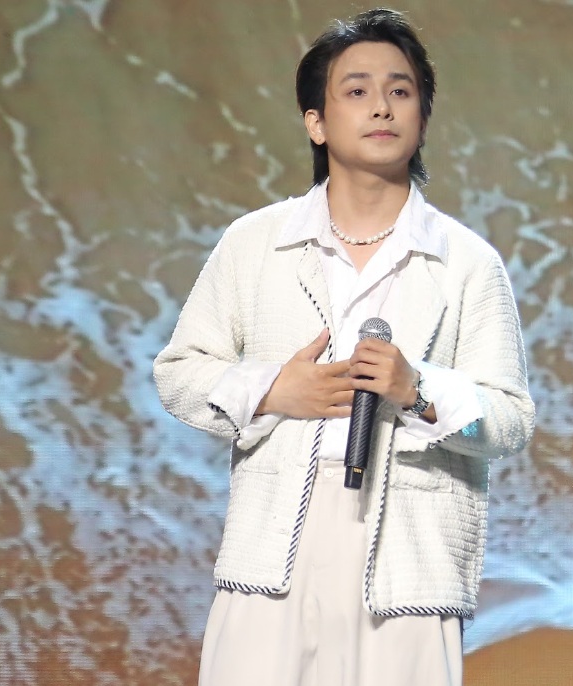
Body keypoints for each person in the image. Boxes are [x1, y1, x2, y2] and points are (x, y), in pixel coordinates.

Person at [153, 7, 535, 685]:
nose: (381, 106)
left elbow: (509, 420)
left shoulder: (468, 261)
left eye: (401, 90)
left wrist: (418, 392)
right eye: (356, 90)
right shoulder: (256, 243)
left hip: (409, 564)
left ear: (422, 116)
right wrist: (274, 390)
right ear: (317, 122)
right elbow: (179, 373)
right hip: (272, 552)